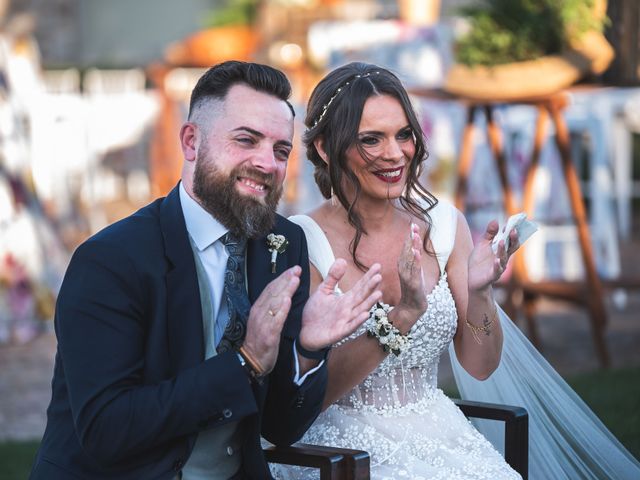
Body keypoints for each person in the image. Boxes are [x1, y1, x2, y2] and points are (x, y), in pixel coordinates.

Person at [273, 62, 640, 479]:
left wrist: (482, 293)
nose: (395, 154)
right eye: (371, 140)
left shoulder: (445, 226)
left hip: (439, 429)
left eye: (404, 134)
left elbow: (481, 365)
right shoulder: (303, 240)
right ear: (324, 147)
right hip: (340, 451)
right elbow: (308, 396)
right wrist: (401, 318)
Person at [29, 61, 383, 480]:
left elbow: (280, 429)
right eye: (246, 140)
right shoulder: (110, 261)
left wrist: (306, 350)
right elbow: (107, 430)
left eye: (280, 150)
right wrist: (246, 360)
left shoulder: (283, 244)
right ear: (192, 141)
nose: (267, 163)